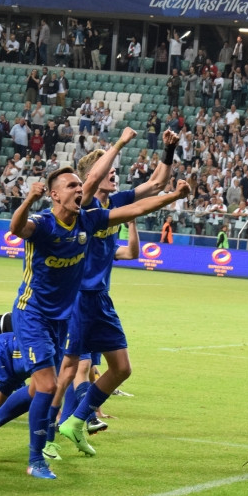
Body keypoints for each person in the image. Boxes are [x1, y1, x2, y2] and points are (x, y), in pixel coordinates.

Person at [0, 129, 190, 477]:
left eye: (78, 185)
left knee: (39, 387)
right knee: (50, 383)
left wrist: (172, 197)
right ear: (56, 194)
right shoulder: (44, 223)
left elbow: (141, 203)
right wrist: (28, 199)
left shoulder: (91, 218)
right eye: (72, 186)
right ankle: (36, 459)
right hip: (33, 313)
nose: (78, 190)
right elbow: (16, 228)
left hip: (63, 315)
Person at [47, 146, 149, 459]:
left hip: (100, 300)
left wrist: (170, 153)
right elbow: (90, 184)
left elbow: (154, 187)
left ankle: (78, 419)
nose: (115, 176)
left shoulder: (110, 208)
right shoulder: (85, 208)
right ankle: (47, 435)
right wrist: (119, 143)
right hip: (77, 299)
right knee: (70, 370)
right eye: (110, 171)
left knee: (116, 367)